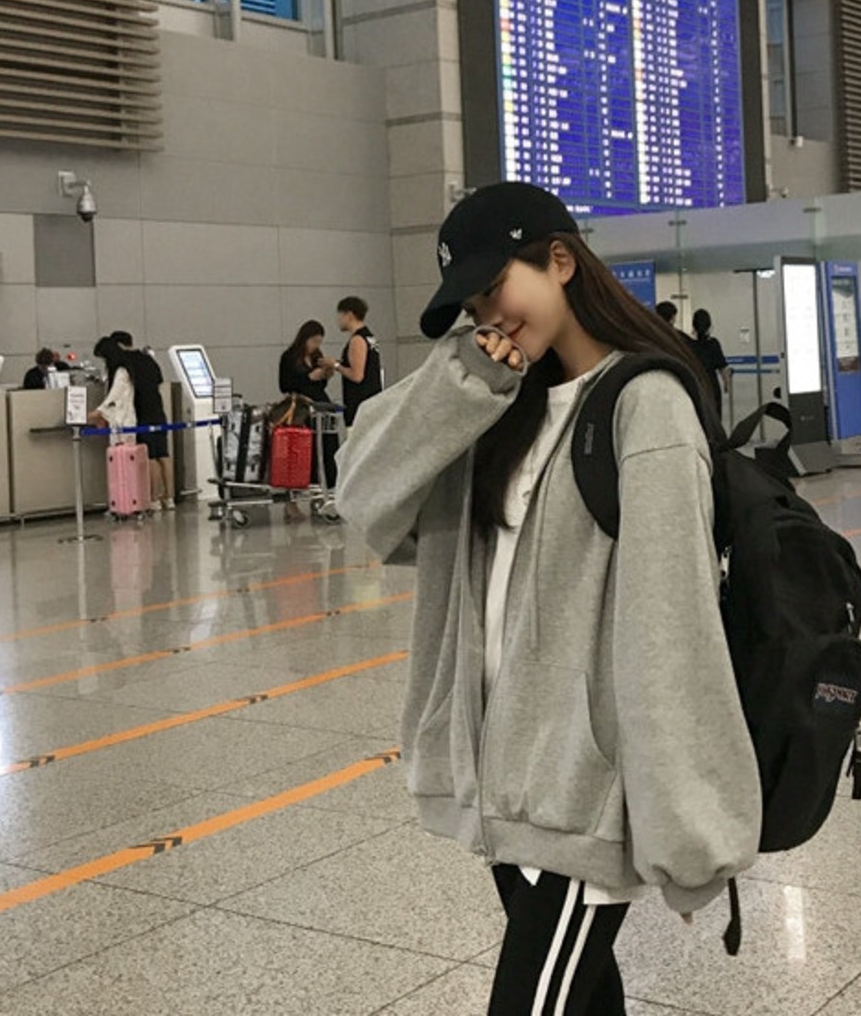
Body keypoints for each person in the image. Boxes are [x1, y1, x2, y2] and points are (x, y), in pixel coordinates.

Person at [337, 182, 759, 1016]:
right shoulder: (496, 405)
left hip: (583, 789)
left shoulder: (646, 405)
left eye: (497, 288)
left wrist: (685, 827)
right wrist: (460, 377)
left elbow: (671, 629)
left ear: (561, 261)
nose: (487, 316)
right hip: (506, 782)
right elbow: (363, 493)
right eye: (470, 307)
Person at [279, 320, 340, 521]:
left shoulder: (316, 357)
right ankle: (292, 501)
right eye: (313, 341)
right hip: (301, 410)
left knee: (326, 450)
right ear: (304, 338)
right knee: (301, 453)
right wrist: (309, 378)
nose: (316, 346)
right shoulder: (289, 358)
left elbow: (319, 385)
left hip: (320, 407)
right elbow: (285, 384)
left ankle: (323, 494)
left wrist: (325, 375)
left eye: (319, 342)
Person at [110, 331, 174, 512]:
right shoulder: (149, 359)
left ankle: (154, 498)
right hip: (158, 410)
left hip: (141, 412)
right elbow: (159, 382)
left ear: (119, 345)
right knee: (164, 455)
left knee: (150, 457)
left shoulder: (124, 364)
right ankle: (169, 498)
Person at [329, 296, 383, 427]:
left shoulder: (357, 340)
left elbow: (357, 375)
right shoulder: (369, 337)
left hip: (360, 405)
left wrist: (335, 365)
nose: (338, 320)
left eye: (340, 315)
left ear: (349, 315)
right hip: (372, 403)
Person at [91, 337, 136, 448]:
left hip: (125, 419)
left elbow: (114, 395)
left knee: (124, 452)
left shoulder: (122, 372)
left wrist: (99, 411)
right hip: (118, 419)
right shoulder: (118, 371)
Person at [689, 308, 731, 418]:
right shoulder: (714, 344)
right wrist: (726, 384)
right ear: (709, 325)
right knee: (714, 417)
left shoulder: (689, 345)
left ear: (693, 325)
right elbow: (723, 367)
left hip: (695, 385)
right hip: (711, 386)